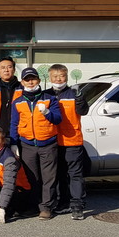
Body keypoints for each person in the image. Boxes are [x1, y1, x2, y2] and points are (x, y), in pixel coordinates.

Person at [10, 67, 62, 221]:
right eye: (27, 79)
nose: (30, 82)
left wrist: (47, 113)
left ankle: (46, 207)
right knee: (31, 177)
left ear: (39, 80)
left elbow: (58, 119)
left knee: (49, 177)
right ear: (22, 82)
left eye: (33, 79)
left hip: (48, 144)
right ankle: (34, 206)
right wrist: (13, 143)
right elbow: (14, 124)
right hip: (27, 145)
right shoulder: (17, 102)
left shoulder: (49, 98)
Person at [45, 63, 89, 220]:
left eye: (61, 76)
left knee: (75, 174)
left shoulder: (73, 93)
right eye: (55, 76)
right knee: (58, 174)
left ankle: (77, 205)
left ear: (66, 76)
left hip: (72, 140)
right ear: (50, 77)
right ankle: (63, 202)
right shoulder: (46, 94)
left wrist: (80, 98)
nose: (58, 79)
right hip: (52, 141)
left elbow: (83, 111)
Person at [0, 127, 31, 224]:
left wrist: (1, 207)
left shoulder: (9, 159)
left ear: (3, 141)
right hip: (0, 187)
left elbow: (9, 185)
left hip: (18, 191)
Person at [0, 57, 23, 137]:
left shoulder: (22, 88)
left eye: (9, 67)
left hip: (20, 132)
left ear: (14, 70)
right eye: (3, 68)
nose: (6, 70)